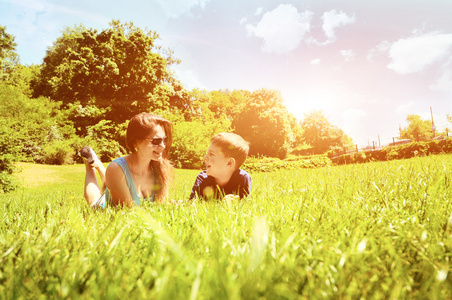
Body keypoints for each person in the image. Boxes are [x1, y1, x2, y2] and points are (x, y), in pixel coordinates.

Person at [81, 113, 173, 208]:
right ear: (136, 142)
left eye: (164, 140)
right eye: (156, 141)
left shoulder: (161, 167)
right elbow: (129, 212)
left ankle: (99, 165)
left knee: (113, 178)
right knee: (93, 199)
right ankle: (90, 166)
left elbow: (159, 207)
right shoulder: (115, 168)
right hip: (103, 206)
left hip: (116, 178)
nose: (163, 146)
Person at [189, 132, 251, 201]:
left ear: (229, 163)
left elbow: (244, 206)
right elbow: (192, 205)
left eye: (211, 154)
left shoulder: (242, 179)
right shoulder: (202, 179)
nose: (205, 157)